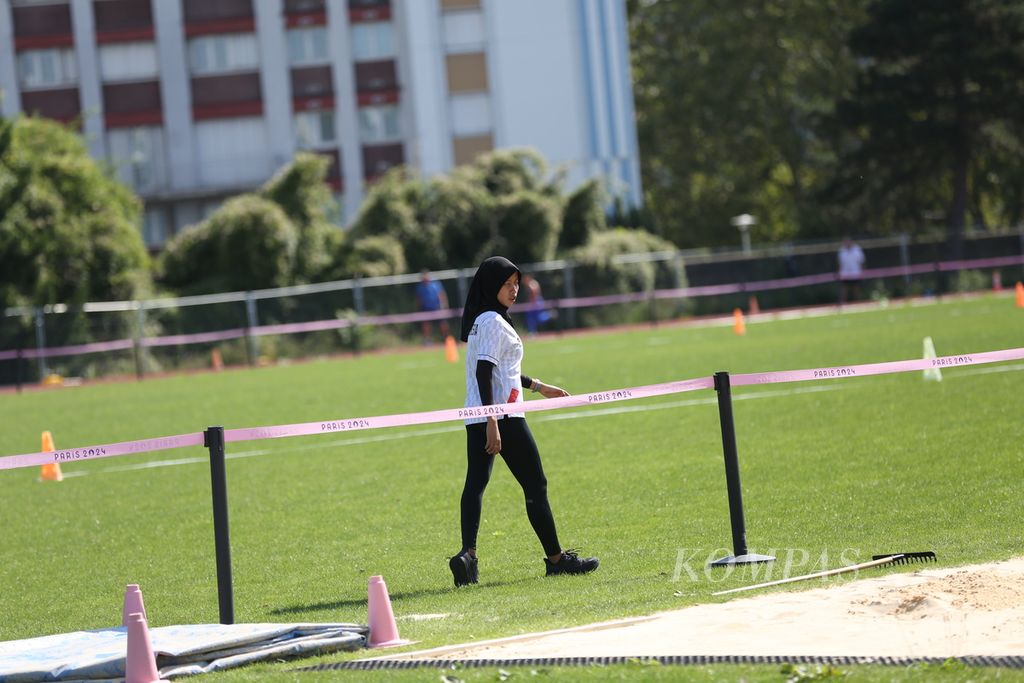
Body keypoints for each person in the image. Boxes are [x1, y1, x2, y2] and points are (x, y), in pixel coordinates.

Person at [449, 256, 599, 586]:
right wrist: (493, 421)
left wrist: (538, 386)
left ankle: (467, 557)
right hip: (501, 416)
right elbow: (484, 371)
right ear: (491, 286)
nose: (514, 289)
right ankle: (557, 560)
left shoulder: (483, 319)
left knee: (476, 484)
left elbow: (503, 369)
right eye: (507, 283)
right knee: (536, 485)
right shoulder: (491, 321)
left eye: (517, 283)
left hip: (478, 414)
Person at [415, 270, 450, 343]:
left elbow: (441, 295)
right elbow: (419, 298)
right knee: (426, 324)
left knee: (442, 323)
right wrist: (419, 308)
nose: (424, 279)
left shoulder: (436, 284)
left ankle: (446, 337)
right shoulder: (420, 287)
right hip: (426, 308)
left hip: (437, 307)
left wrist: (444, 305)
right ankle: (427, 340)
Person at [837, 236, 865, 305]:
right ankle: (843, 304)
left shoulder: (857, 249)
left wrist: (861, 272)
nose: (847, 243)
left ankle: (859, 304)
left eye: (848, 241)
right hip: (845, 274)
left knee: (856, 289)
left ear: (851, 242)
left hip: (856, 273)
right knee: (844, 289)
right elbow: (840, 263)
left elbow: (861, 262)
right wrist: (840, 273)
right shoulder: (841, 250)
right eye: (845, 241)